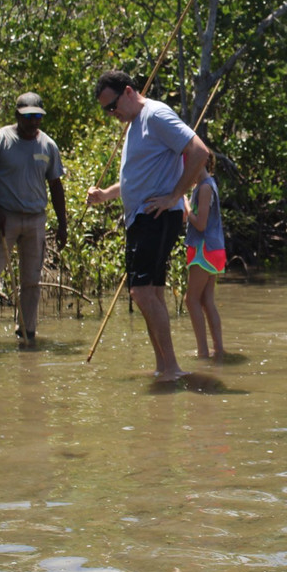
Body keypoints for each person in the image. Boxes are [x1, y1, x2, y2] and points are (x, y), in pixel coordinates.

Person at [86, 70, 210, 380]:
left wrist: (174, 196)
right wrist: (105, 195)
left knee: (141, 293)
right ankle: (163, 366)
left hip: (154, 217)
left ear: (128, 92)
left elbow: (199, 151)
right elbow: (136, 177)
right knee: (151, 291)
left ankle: (172, 368)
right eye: (106, 110)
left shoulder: (155, 115)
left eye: (112, 105)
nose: (111, 113)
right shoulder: (134, 126)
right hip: (142, 218)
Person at [0, 93, 67, 342]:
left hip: (35, 220)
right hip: (5, 218)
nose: (34, 122)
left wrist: (63, 225)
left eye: (38, 117)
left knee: (31, 281)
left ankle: (27, 330)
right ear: (18, 116)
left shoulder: (48, 146)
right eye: (28, 116)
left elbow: (55, 186)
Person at [184, 153, 226, 359]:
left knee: (191, 300)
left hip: (204, 249)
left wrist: (186, 208)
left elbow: (200, 223)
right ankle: (218, 349)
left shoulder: (205, 187)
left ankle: (202, 352)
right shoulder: (205, 185)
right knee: (206, 299)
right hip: (213, 249)